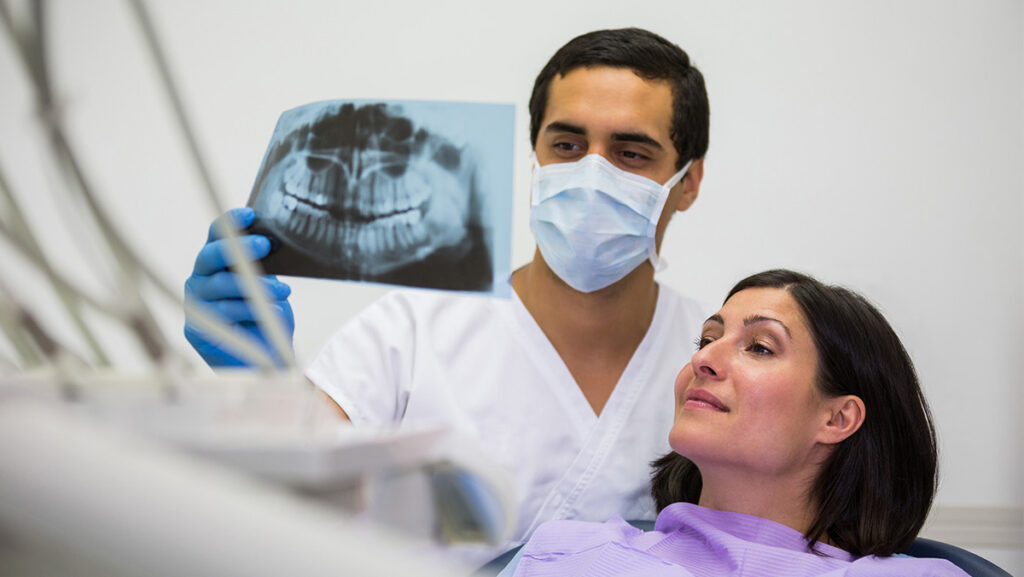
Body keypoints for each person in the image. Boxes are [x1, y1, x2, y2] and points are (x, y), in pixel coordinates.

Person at [184, 28, 711, 559]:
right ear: (536, 158)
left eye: (630, 154)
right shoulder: (409, 332)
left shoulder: (714, 364)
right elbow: (295, 504)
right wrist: (259, 381)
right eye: (567, 146)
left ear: (688, 182)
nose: (590, 174)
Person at [497, 269, 967, 576]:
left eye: (760, 347)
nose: (704, 359)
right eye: (705, 338)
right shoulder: (560, 555)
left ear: (838, 417)